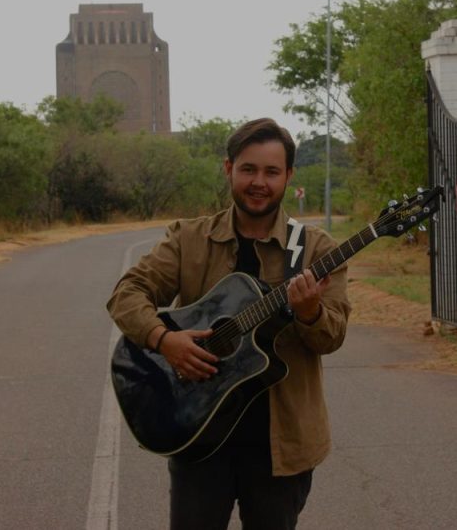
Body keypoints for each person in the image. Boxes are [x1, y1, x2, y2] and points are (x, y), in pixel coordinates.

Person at [107, 117, 350, 530]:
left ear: (289, 176)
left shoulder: (315, 250)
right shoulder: (188, 239)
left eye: (272, 172)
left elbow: (332, 337)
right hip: (196, 433)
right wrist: (164, 339)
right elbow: (127, 292)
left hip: (282, 446)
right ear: (228, 169)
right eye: (248, 169)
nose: (260, 182)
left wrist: (309, 312)